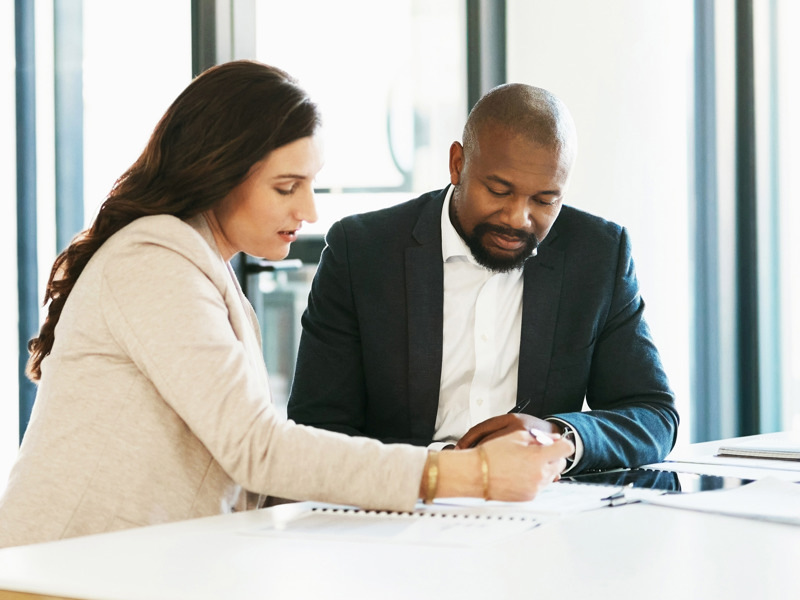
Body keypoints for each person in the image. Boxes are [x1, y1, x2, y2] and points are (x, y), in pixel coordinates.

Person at [0, 61, 574, 549]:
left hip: (131, 566)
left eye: (311, 184)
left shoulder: (199, 270)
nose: (309, 211)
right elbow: (258, 449)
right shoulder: (154, 263)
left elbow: (256, 469)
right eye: (286, 187)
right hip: (64, 572)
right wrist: (468, 475)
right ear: (221, 173)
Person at [287, 83, 679, 474]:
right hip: (400, 506)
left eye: (544, 200)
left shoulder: (597, 254)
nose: (517, 218)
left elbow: (653, 416)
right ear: (458, 163)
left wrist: (557, 436)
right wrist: (443, 472)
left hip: (541, 515)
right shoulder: (363, 251)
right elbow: (316, 427)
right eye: (498, 190)